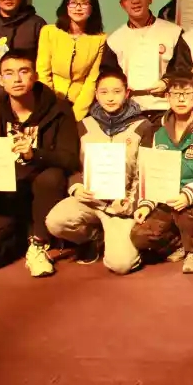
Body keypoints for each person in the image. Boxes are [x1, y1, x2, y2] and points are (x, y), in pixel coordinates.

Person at [0, 49, 79, 277]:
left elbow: (70, 159)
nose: (16, 79)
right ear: (0, 79)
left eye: (23, 71)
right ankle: (21, 237)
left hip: (45, 192)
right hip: (9, 196)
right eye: (9, 73)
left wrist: (35, 154)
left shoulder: (59, 109)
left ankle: (39, 244)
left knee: (51, 176)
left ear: (35, 76)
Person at [45, 67, 151, 274]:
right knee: (55, 221)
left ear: (127, 93)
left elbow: (146, 171)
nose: (110, 98)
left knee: (121, 265)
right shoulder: (84, 125)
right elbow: (73, 164)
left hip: (122, 206)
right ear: (96, 94)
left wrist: (131, 202)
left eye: (117, 91)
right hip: (91, 200)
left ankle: (119, 240)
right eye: (104, 92)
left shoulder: (143, 126)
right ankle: (94, 238)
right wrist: (76, 187)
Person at [129, 72, 193, 274]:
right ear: (167, 97)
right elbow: (153, 172)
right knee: (139, 235)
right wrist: (146, 203)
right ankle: (179, 242)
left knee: (187, 213)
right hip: (166, 198)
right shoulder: (158, 133)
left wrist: (188, 195)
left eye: (187, 94)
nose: (181, 99)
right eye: (175, 94)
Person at [100, 0, 183, 115]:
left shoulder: (174, 32)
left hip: (166, 108)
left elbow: (183, 68)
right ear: (122, 4)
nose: (135, 1)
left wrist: (167, 82)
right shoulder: (114, 40)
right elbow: (108, 76)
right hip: (127, 110)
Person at [35, 0, 107, 120]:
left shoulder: (100, 39)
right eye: (73, 3)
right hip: (48, 102)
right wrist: (50, 106)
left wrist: (75, 115)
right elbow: (42, 72)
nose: (78, 8)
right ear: (66, 6)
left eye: (84, 3)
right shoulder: (49, 32)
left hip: (80, 104)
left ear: (92, 8)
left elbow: (92, 80)